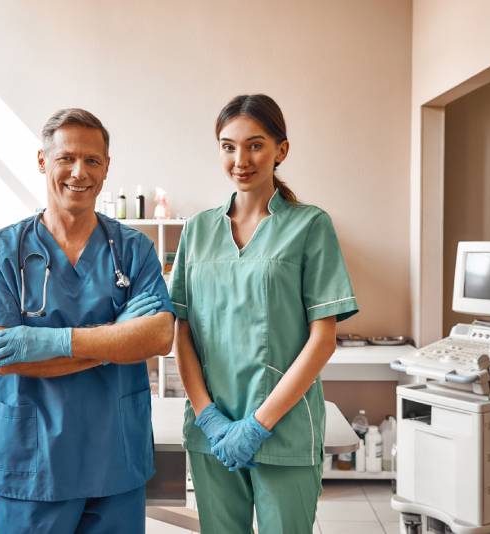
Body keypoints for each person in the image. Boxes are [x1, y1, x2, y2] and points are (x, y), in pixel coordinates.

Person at [0, 108, 175, 533]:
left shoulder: (133, 250)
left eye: (93, 160)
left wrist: (47, 343)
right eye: (66, 158)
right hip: (31, 461)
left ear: (107, 167)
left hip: (115, 457)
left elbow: (159, 335)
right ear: (43, 161)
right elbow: (5, 357)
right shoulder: (3, 250)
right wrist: (115, 339)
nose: (80, 172)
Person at [171, 94, 359, 533]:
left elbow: (322, 339)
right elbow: (181, 332)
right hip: (212, 432)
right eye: (228, 146)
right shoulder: (198, 231)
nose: (241, 159)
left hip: (284, 430)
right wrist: (209, 418)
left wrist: (257, 425)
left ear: (281, 150)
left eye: (255, 145)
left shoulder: (310, 225)